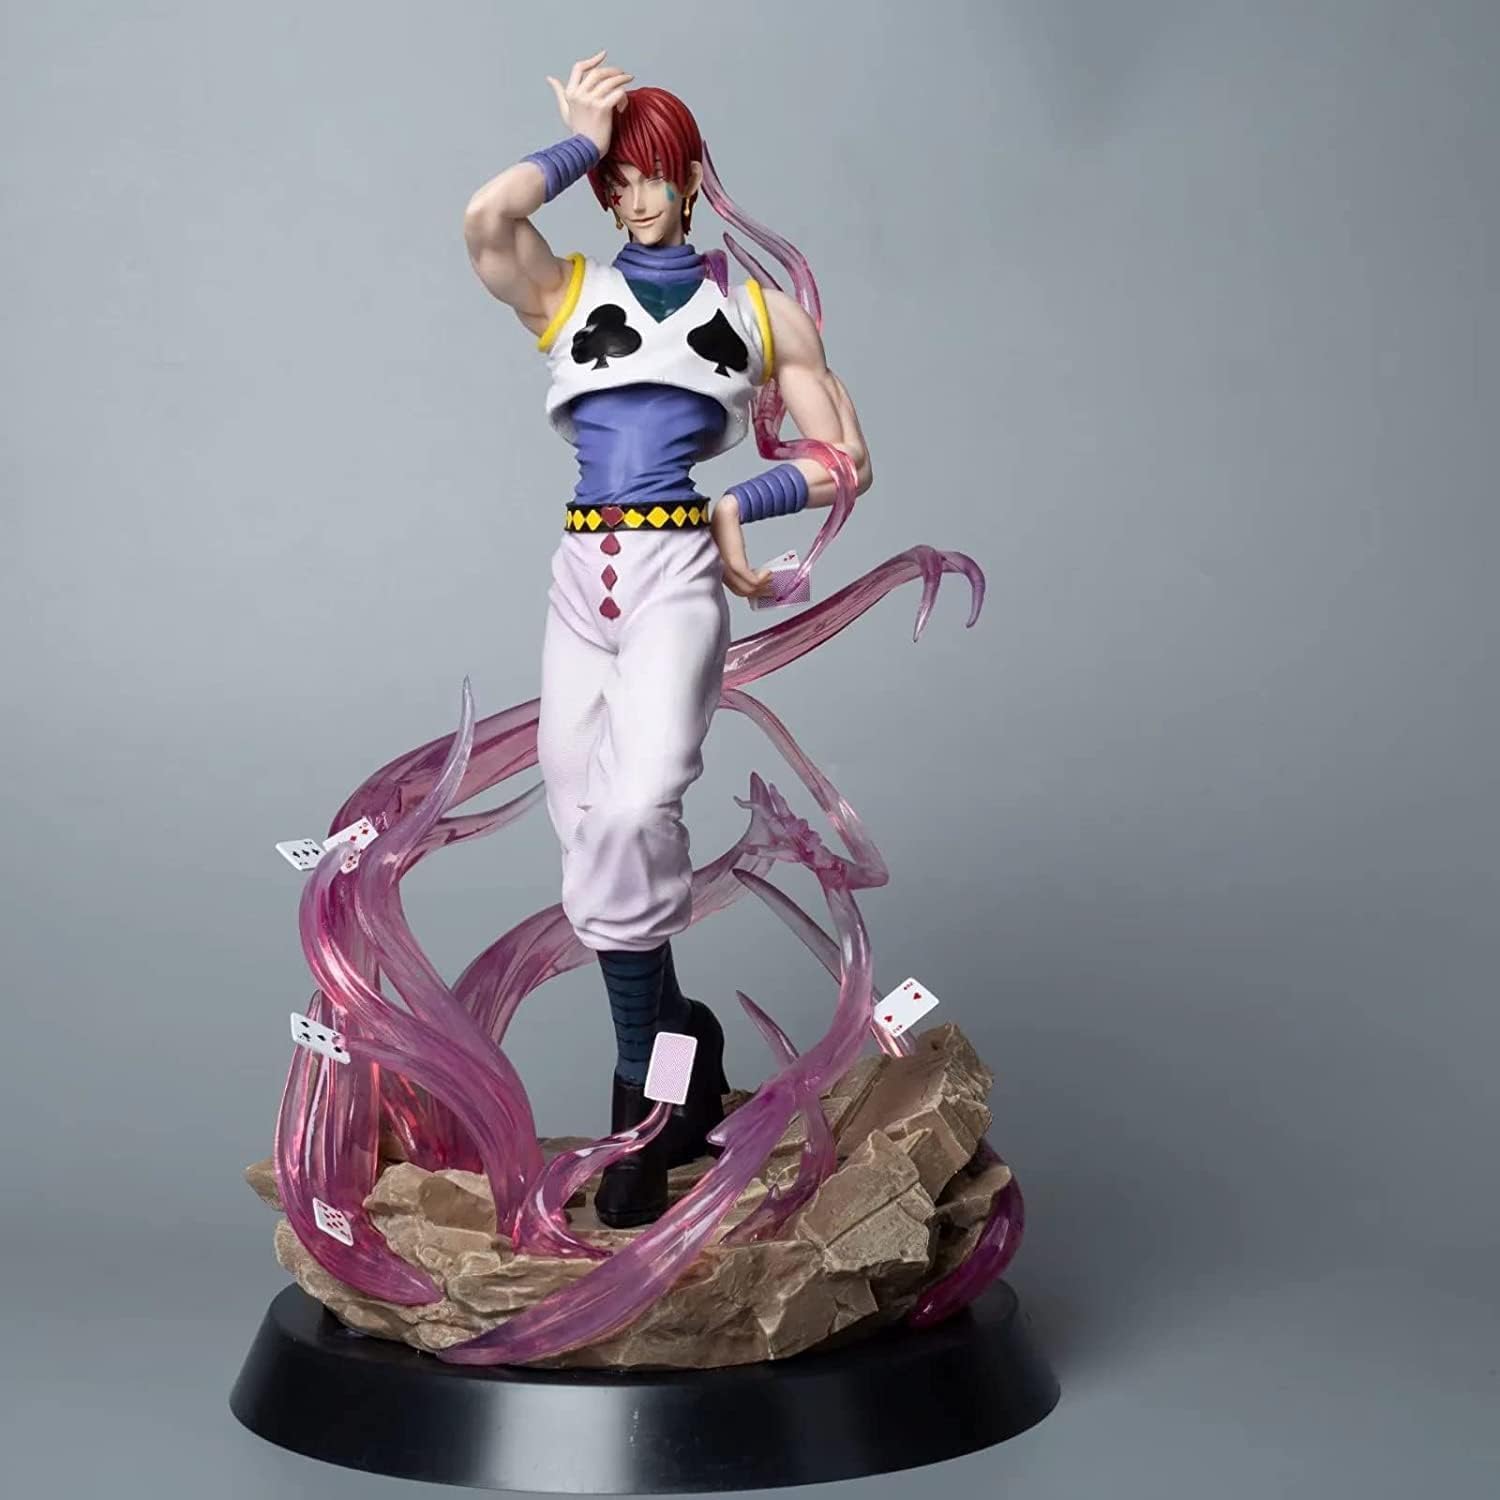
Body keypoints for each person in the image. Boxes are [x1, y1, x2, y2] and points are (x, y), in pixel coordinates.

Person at [462, 51, 871, 1226]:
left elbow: (845, 456)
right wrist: (578, 144)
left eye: (653, 174)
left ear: (691, 178)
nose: (637, 197)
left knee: (639, 814)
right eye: (620, 180)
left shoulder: (755, 310)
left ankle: (641, 1100)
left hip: (675, 575)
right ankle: (677, 1050)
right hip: (576, 582)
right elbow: (486, 219)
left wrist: (745, 504)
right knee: (592, 839)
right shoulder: (568, 289)